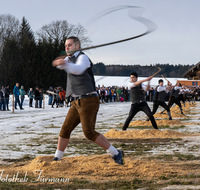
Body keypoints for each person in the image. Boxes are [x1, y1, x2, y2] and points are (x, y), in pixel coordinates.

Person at [52, 36, 124, 165]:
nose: (66, 47)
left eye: (69, 45)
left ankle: (116, 153)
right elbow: (62, 64)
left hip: (89, 100)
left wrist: (64, 63)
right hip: (76, 101)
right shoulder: (69, 59)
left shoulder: (83, 58)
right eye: (65, 45)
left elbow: (78, 70)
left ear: (77, 46)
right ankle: (58, 157)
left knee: (89, 132)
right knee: (65, 129)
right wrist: (61, 61)